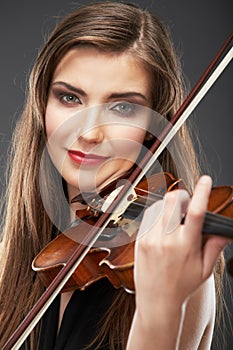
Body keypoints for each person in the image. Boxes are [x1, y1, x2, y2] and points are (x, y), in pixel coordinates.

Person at [0, 1, 230, 349]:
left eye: (122, 107)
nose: (90, 132)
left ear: (154, 128)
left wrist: (158, 308)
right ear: (42, 106)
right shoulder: (8, 263)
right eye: (70, 98)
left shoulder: (184, 277)